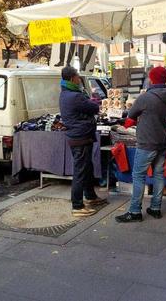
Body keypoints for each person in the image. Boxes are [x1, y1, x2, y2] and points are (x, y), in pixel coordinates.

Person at [115, 66, 166, 222]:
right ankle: (155, 208)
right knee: (159, 175)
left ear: (152, 79)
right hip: (163, 140)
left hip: (147, 142)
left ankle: (135, 211)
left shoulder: (146, 97)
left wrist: (126, 125)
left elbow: (131, 116)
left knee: (138, 176)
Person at [59, 66, 107, 217]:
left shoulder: (66, 93)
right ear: (73, 78)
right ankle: (77, 205)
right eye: (78, 76)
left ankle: (91, 196)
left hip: (79, 136)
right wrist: (91, 100)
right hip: (80, 137)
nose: (79, 78)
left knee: (87, 168)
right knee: (80, 170)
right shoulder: (75, 96)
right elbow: (93, 107)